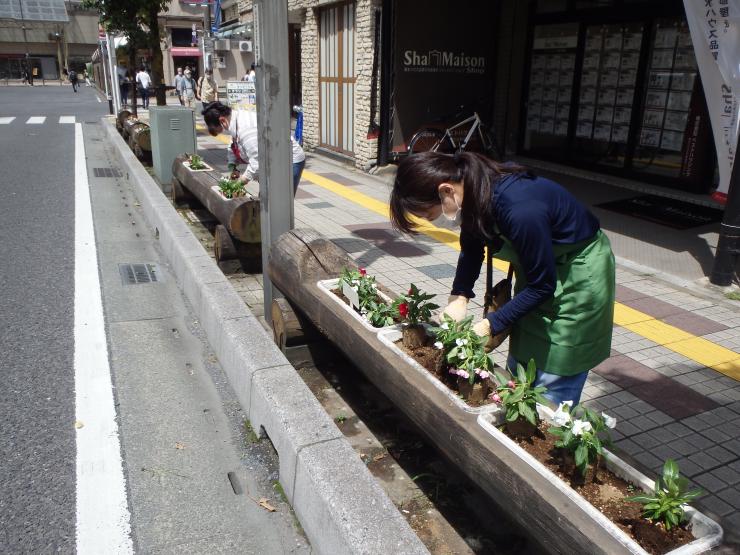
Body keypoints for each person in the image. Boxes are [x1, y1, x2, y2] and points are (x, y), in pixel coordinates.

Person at [389, 152, 615, 407]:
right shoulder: (473, 188)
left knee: (556, 364)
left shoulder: (519, 208)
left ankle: (550, 427)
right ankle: (517, 410)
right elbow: (472, 246)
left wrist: (490, 324)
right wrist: (459, 295)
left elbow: (543, 286)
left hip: (577, 276)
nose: (434, 222)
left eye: (430, 215)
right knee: (525, 351)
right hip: (539, 271)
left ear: (446, 190)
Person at [201, 101, 305, 194]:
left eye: (220, 130)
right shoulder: (235, 118)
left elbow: (257, 161)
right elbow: (233, 142)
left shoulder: (246, 129)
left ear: (223, 121)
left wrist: (242, 181)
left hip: (288, 160)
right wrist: (232, 165)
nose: (223, 132)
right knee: (267, 199)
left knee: (280, 200)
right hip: (272, 159)